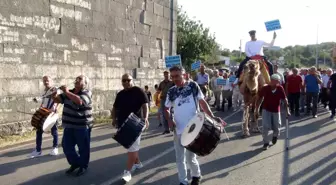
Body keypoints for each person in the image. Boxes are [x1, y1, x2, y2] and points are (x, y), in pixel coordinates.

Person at [164, 65, 222, 185]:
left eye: (177, 76)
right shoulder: (171, 91)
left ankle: (196, 176)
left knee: (190, 157)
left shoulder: (193, 86)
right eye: (172, 76)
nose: (175, 79)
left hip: (193, 129)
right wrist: (170, 120)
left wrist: (211, 116)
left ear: (183, 75)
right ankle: (183, 181)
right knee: (179, 158)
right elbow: (166, 108)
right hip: (178, 130)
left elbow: (202, 102)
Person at [52, 75, 93, 176]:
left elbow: (79, 101)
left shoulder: (87, 92)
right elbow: (57, 100)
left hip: (82, 125)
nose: (77, 80)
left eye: (80, 79)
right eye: (77, 79)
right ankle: (76, 163)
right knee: (66, 146)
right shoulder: (70, 92)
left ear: (85, 83)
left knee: (83, 147)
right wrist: (53, 94)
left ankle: (83, 166)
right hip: (69, 125)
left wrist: (66, 92)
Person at [111, 74, 149, 183]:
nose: (126, 82)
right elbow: (114, 108)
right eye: (124, 80)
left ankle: (127, 172)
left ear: (132, 80)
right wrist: (114, 119)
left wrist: (146, 118)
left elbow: (145, 105)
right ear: (122, 82)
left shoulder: (139, 91)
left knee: (132, 149)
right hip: (123, 124)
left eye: (128, 80)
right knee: (130, 147)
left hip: (136, 123)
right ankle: (137, 163)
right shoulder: (120, 94)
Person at [256, 74, 290, 150]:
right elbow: (259, 97)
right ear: (271, 80)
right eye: (276, 81)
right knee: (265, 126)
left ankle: (275, 136)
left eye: (278, 81)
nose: (277, 82)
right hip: (266, 109)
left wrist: (287, 110)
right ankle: (266, 143)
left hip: (276, 110)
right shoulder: (265, 88)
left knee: (277, 126)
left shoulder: (280, 88)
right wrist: (257, 108)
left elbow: (285, 99)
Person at [29, 76, 59, 158]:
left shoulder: (55, 89)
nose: (46, 82)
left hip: (52, 114)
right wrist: (37, 100)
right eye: (44, 81)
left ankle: (55, 148)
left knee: (54, 131)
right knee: (39, 131)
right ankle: (38, 150)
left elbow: (56, 100)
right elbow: (42, 99)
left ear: (51, 81)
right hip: (44, 112)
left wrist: (52, 110)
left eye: (47, 80)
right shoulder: (44, 91)